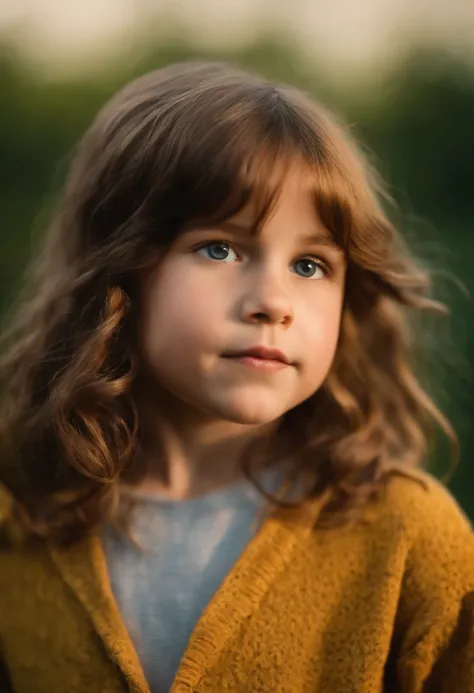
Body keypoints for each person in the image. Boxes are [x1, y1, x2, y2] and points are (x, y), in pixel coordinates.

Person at [0, 60, 473, 693]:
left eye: (310, 264)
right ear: (119, 271)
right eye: (220, 249)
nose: (273, 301)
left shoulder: (410, 537)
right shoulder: (21, 522)